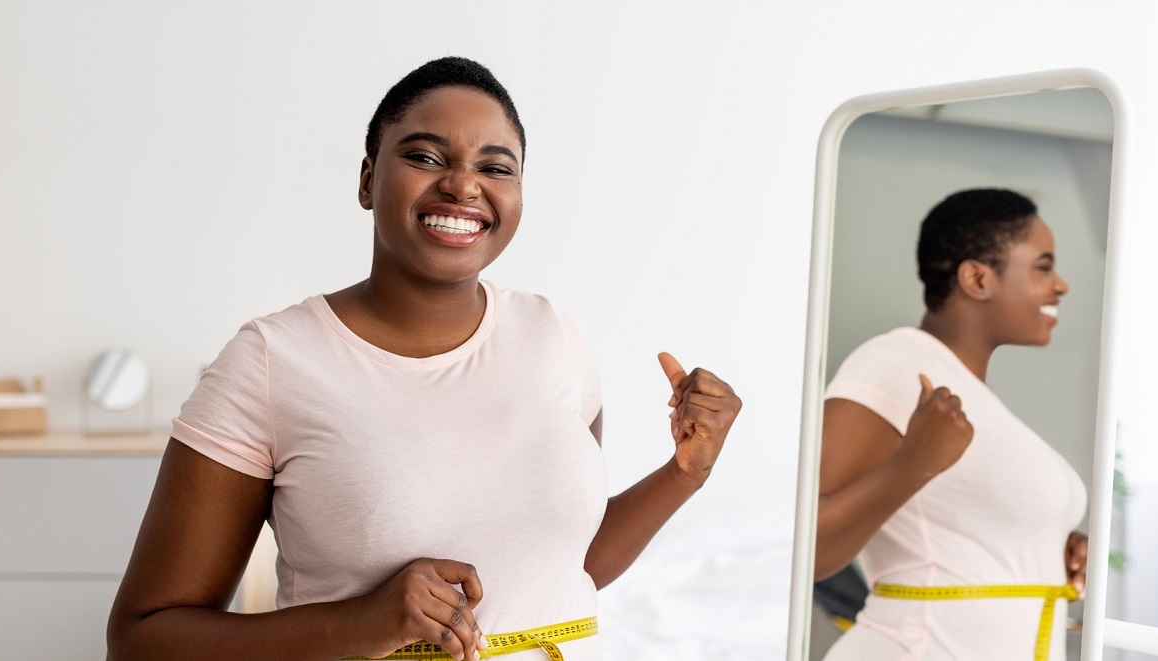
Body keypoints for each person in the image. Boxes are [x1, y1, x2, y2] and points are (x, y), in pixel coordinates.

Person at [105, 57, 742, 661]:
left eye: (496, 168)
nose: (463, 184)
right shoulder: (272, 362)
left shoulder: (553, 334)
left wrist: (684, 473)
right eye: (425, 156)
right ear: (366, 179)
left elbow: (560, 567)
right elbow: (141, 640)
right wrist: (363, 622)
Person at [815, 188, 1089, 660]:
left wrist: (1045, 543)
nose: (1060, 285)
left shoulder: (967, 393)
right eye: (1043, 267)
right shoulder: (894, 363)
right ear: (977, 278)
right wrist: (913, 463)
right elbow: (807, 549)